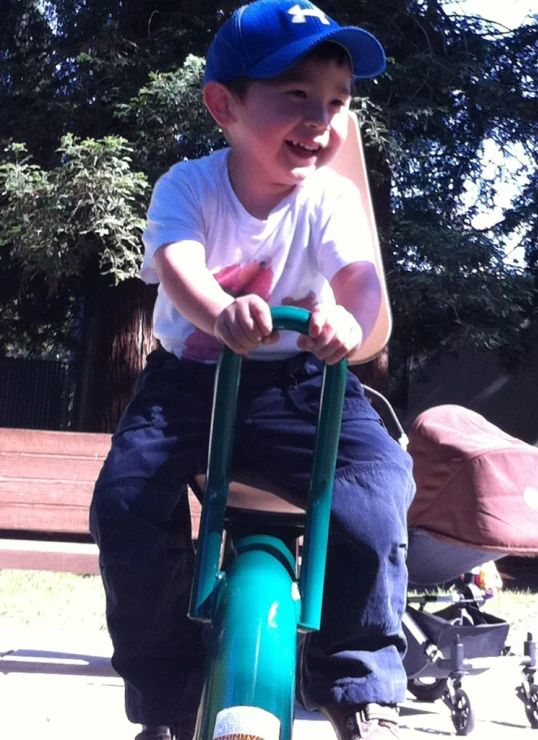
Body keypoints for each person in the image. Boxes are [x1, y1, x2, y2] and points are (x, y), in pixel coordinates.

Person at [89, 2, 415, 739]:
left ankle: (357, 681)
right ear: (223, 106)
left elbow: (360, 278)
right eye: (295, 95)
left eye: (336, 102)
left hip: (301, 387)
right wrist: (217, 311)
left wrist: (348, 323)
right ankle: (166, 696)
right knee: (124, 505)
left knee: (378, 485)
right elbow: (178, 266)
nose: (321, 118)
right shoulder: (189, 186)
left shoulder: (331, 199)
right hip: (188, 388)